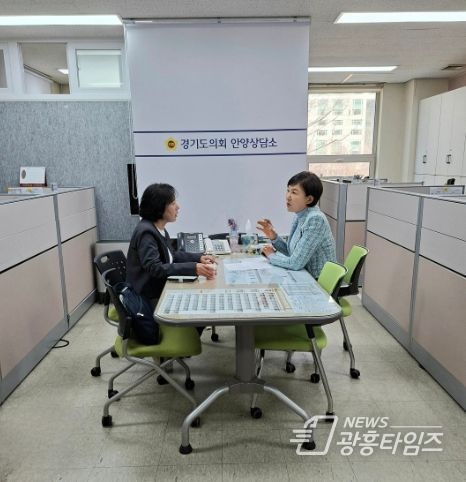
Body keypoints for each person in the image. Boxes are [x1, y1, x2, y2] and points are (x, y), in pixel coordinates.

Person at [126, 183, 216, 306]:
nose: (178, 207)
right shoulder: (146, 233)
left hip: (159, 290)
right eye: (173, 203)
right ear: (159, 207)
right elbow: (155, 268)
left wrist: (199, 258)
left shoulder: (158, 228)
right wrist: (194, 268)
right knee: (199, 301)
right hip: (147, 298)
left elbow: (172, 255)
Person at [257, 171, 336, 279]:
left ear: (309, 199)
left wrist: (271, 256)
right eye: (288, 190)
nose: (288, 196)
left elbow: (295, 263)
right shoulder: (300, 215)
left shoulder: (316, 220)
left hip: (319, 281)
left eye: (294, 192)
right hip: (306, 275)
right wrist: (273, 237)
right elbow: (292, 253)